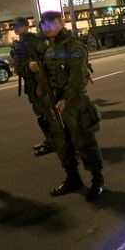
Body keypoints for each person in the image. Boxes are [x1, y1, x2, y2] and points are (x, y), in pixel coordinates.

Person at [28, 11, 104, 202]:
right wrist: (39, 83)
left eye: (50, 23)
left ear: (61, 22)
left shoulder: (74, 47)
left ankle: (97, 181)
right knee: (62, 145)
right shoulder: (47, 47)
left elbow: (78, 79)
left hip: (74, 104)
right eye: (43, 24)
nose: (46, 27)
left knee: (84, 143)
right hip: (53, 105)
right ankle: (73, 179)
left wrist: (65, 100)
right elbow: (46, 74)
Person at [10, 17, 54, 156]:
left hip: (38, 84)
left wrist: (41, 85)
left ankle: (55, 142)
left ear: (26, 26)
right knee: (41, 115)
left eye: (18, 25)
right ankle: (49, 140)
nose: (15, 28)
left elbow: (47, 61)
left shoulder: (35, 41)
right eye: (13, 26)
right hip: (30, 84)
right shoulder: (20, 43)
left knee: (48, 115)